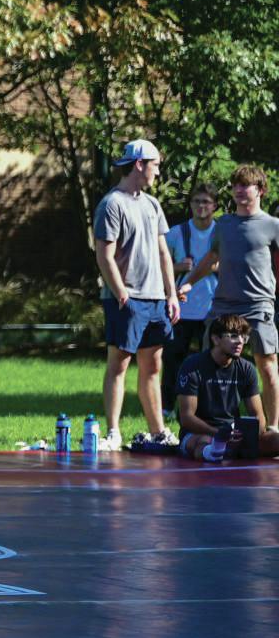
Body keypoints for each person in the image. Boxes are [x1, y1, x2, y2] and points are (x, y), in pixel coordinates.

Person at [91, 139, 179, 450]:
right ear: (139, 164)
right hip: (126, 299)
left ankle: (158, 431)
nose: (158, 170)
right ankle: (113, 433)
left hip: (155, 299)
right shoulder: (111, 204)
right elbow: (105, 255)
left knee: (153, 366)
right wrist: (121, 294)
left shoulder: (152, 204)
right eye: (155, 164)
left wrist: (170, 294)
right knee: (119, 363)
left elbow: (164, 253)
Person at [179, 164, 279, 427]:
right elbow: (212, 259)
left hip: (258, 305)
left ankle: (272, 427)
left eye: (244, 185)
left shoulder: (273, 225)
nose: (238, 190)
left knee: (267, 364)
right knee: (206, 360)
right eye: (235, 185)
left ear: (259, 190)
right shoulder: (223, 224)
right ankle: (204, 421)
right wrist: (188, 282)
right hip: (223, 305)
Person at [174, 314, 279, 461]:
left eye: (244, 337)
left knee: (275, 440)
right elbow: (187, 418)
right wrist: (218, 433)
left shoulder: (246, 368)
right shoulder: (192, 366)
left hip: (234, 434)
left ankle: (230, 450)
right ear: (215, 339)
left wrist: (251, 434)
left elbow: (257, 415)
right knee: (202, 443)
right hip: (200, 433)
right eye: (234, 336)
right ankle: (214, 452)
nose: (240, 341)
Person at [163, 182, 220, 394]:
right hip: (182, 308)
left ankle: (207, 404)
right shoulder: (177, 233)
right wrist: (177, 267)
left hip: (212, 308)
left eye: (206, 202)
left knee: (211, 361)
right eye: (196, 201)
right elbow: (157, 267)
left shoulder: (221, 232)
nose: (201, 206)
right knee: (173, 360)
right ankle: (167, 405)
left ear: (214, 206)